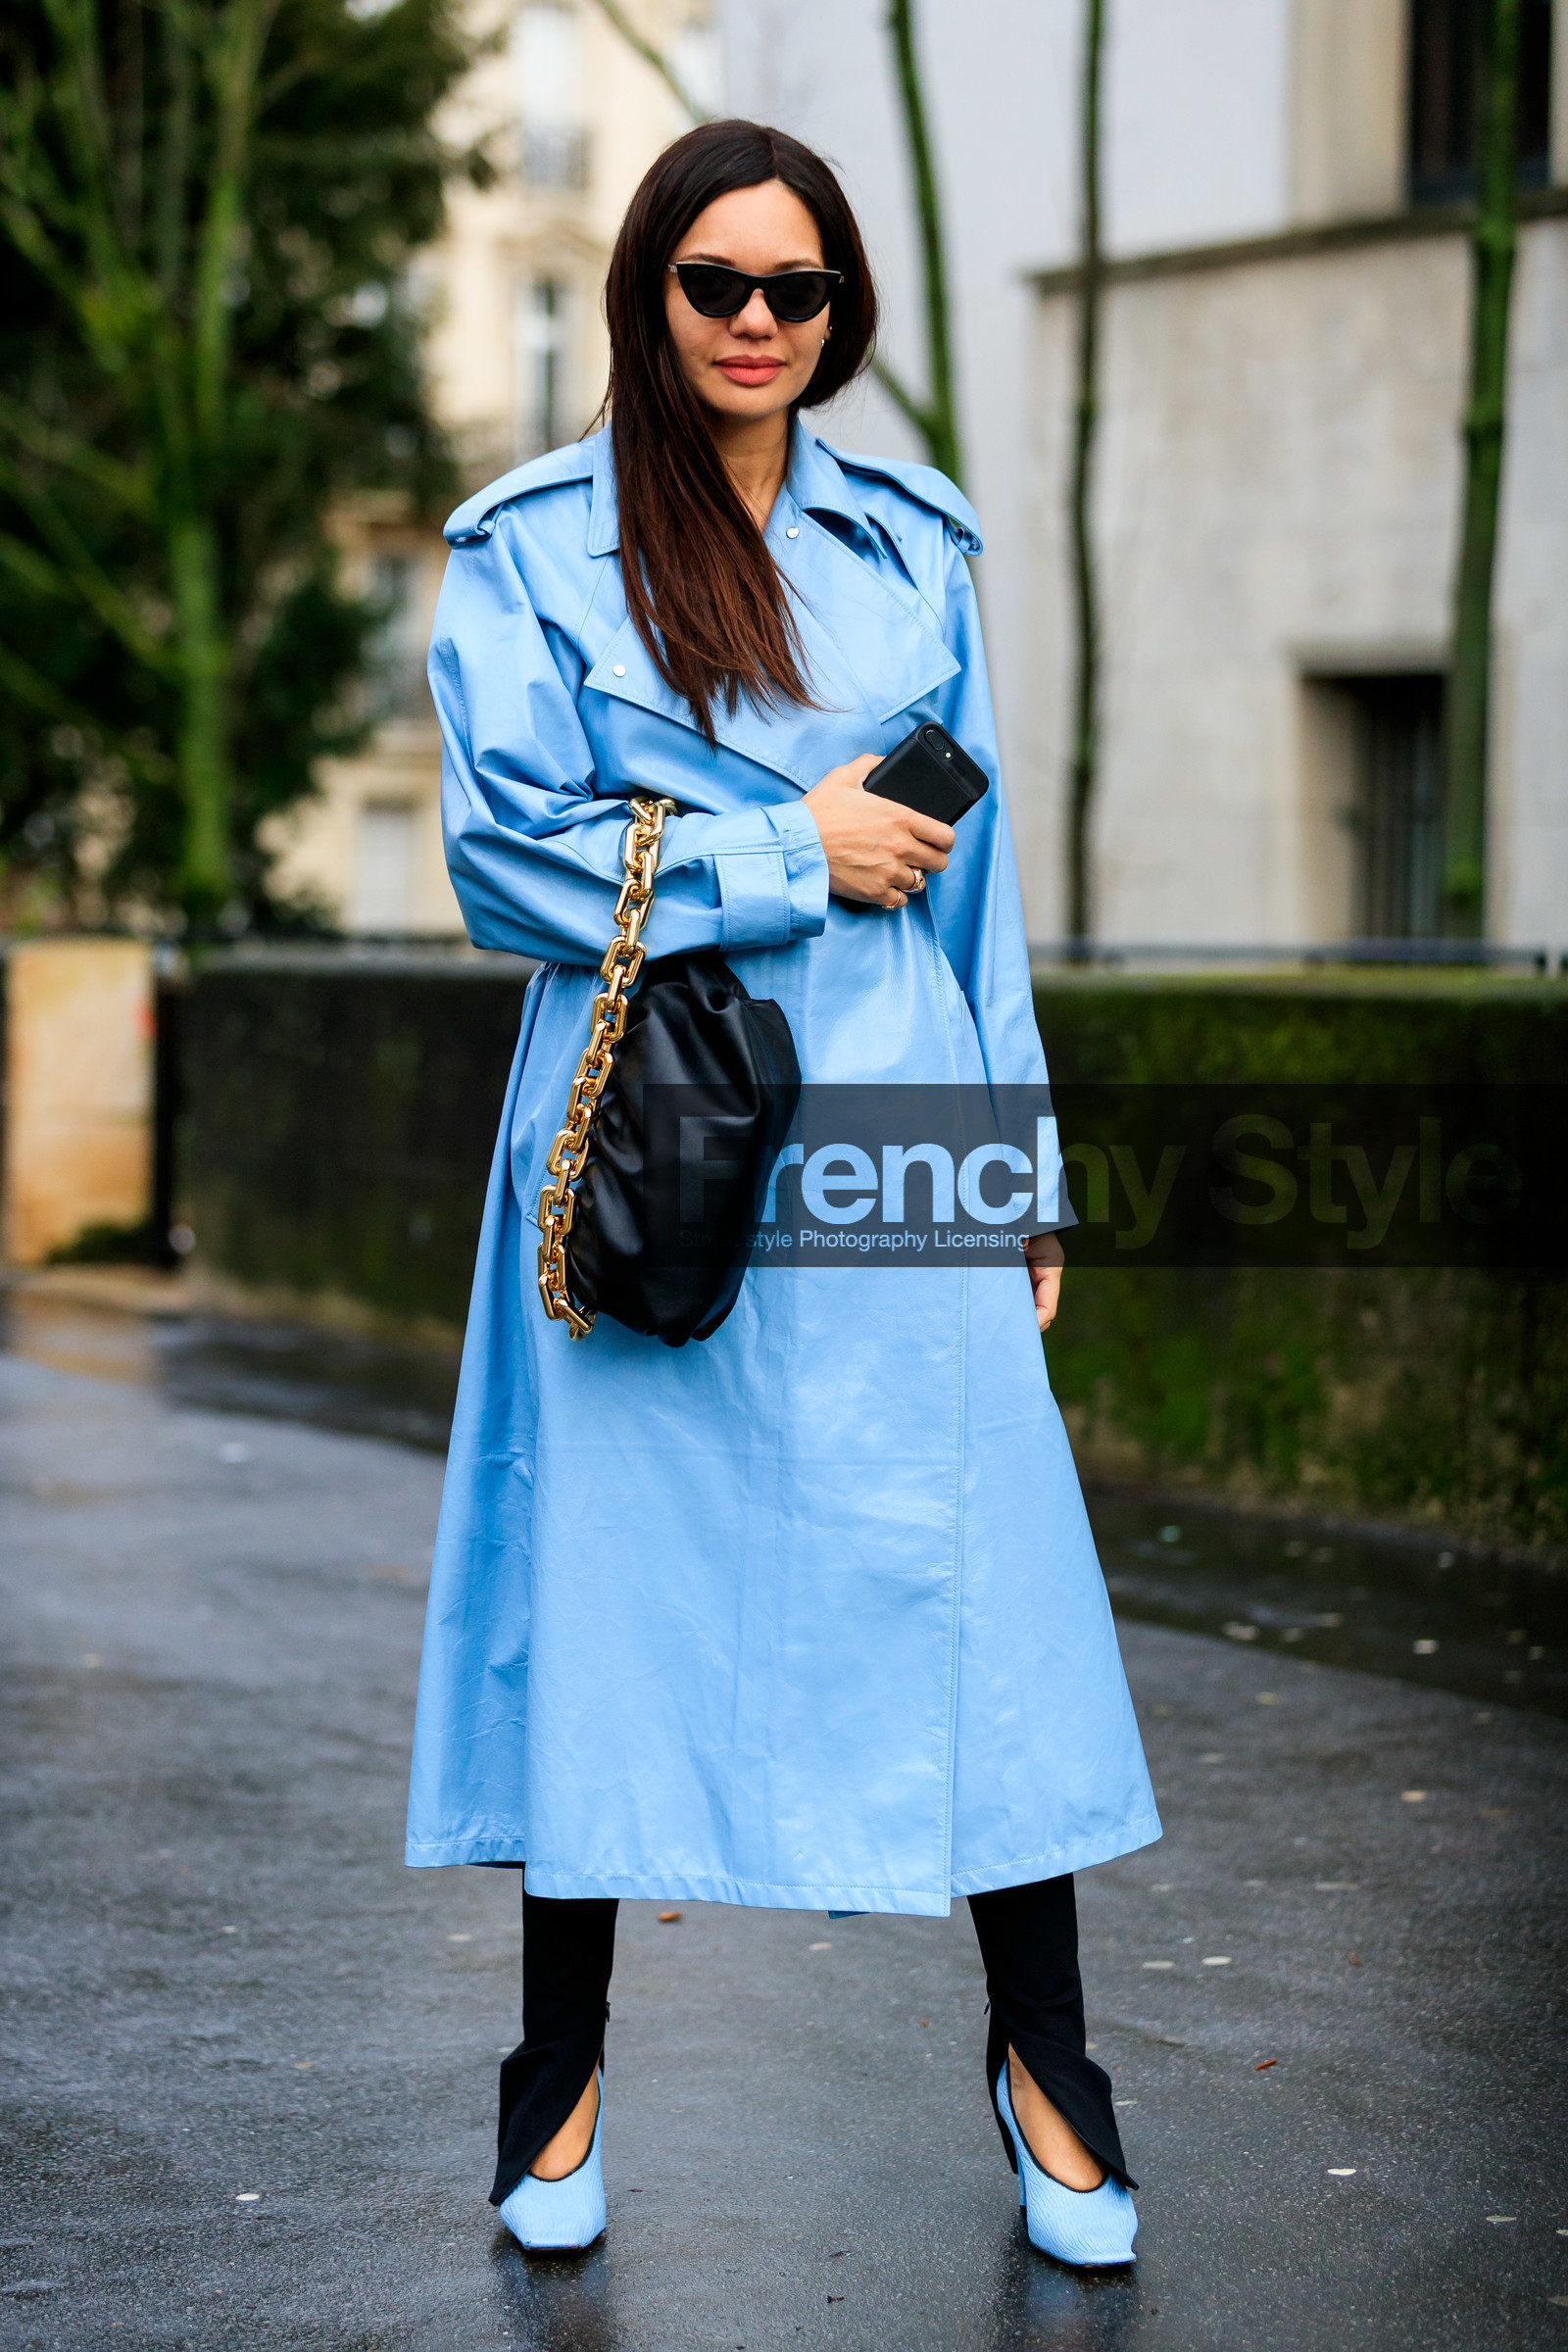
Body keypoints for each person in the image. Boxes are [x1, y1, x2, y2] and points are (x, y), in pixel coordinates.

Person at [407, 119, 1160, 2270]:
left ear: (838, 318)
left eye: (795, 292)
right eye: (712, 284)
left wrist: (1016, 1168)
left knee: (978, 1566)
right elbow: (492, 856)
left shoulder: (914, 543)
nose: (754, 323)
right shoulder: (534, 545)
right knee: (611, 1573)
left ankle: (1048, 2077)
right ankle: (552, 2094)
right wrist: (776, 854)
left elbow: (981, 890)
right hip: (640, 1097)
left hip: (900, 1089)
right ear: (647, 293)